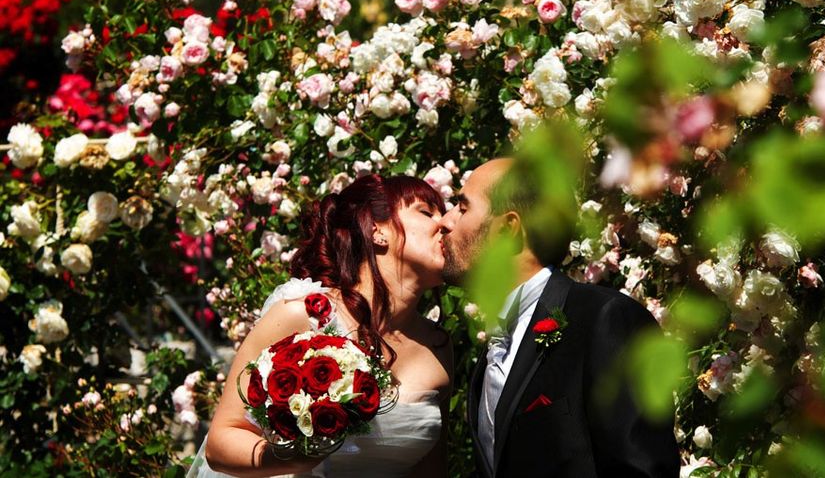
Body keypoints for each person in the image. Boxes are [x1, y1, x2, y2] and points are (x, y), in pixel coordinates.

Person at [190, 174, 453, 478]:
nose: (445, 223)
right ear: (377, 229)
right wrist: (293, 460)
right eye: (426, 212)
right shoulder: (304, 317)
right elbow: (221, 442)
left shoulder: (438, 346)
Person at [439, 158, 680, 478]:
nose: (445, 221)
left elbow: (643, 469)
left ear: (508, 229)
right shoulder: (493, 349)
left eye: (462, 207)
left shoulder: (605, 320)